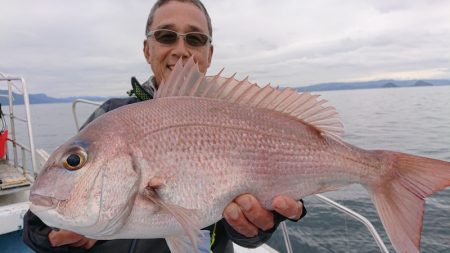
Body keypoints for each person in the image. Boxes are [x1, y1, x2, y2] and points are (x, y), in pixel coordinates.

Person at [23, 0, 306, 252]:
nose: (181, 50)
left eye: (195, 39)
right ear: (148, 49)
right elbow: (37, 225)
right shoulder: (109, 118)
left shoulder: (241, 116)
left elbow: (243, 235)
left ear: (209, 53)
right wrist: (56, 237)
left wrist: (256, 228)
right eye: (166, 36)